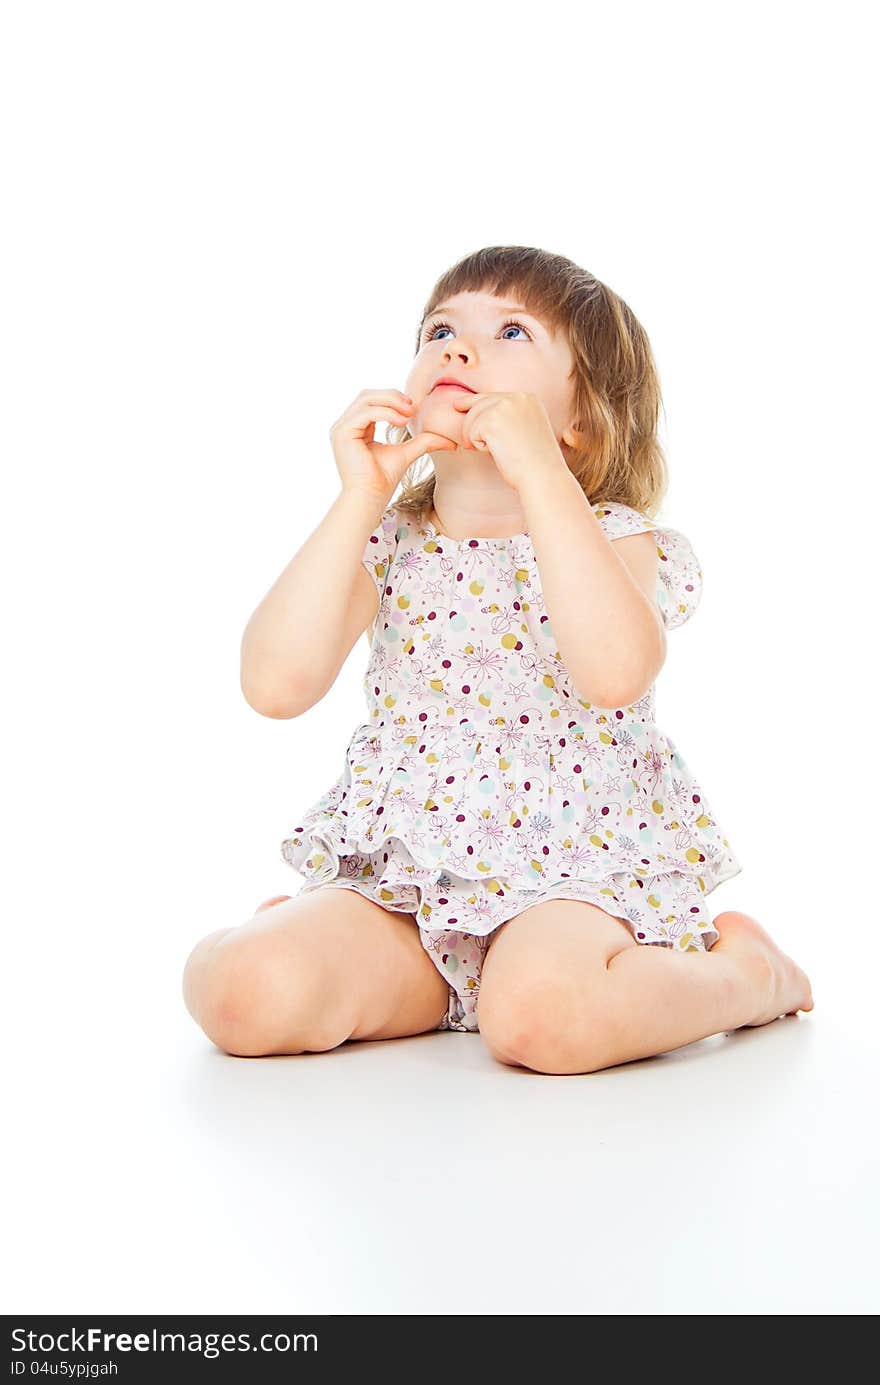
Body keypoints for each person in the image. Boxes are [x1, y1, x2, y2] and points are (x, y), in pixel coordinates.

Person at [182, 245, 813, 1075]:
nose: (457, 347)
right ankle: (326, 940)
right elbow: (273, 685)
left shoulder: (617, 538)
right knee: (243, 992)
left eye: (510, 330)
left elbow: (615, 670)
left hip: (573, 873)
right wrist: (359, 496)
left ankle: (741, 975)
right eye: (440, 329)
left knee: (544, 1021)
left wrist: (541, 475)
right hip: (411, 880)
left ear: (578, 421)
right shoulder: (388, 539)